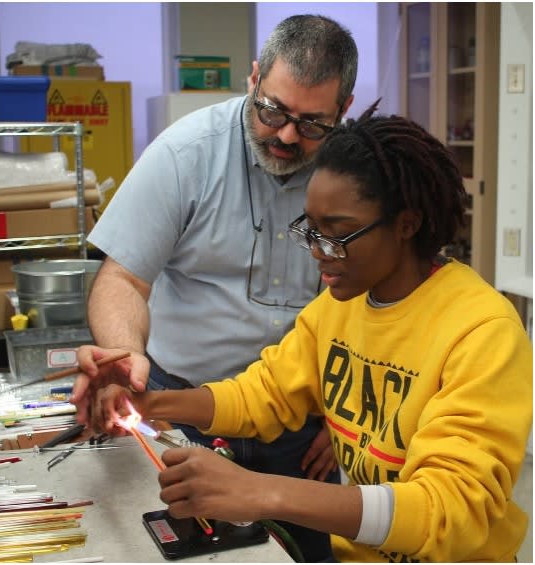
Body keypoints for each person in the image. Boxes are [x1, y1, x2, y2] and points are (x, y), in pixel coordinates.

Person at [81, 112, 533, 562]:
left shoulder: (482, 333)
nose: (318, 253)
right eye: (310, 231)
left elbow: (449, 510)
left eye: (335, 235)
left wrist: (262, 493)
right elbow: (264, 396)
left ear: (407, 224)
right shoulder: (339, 306)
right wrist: (145, 404)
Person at [72, 14, 358, 562]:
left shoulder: (355, 175)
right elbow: (123, 279)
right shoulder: (186, 154)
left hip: (302, 424)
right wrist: (126, 355)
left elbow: (371, 302)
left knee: (303, 553)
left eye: (312, 123)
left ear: (342, 109)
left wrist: (342, 416)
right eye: (273, 110)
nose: (287, 135)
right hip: (184, 409)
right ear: (253, 79)